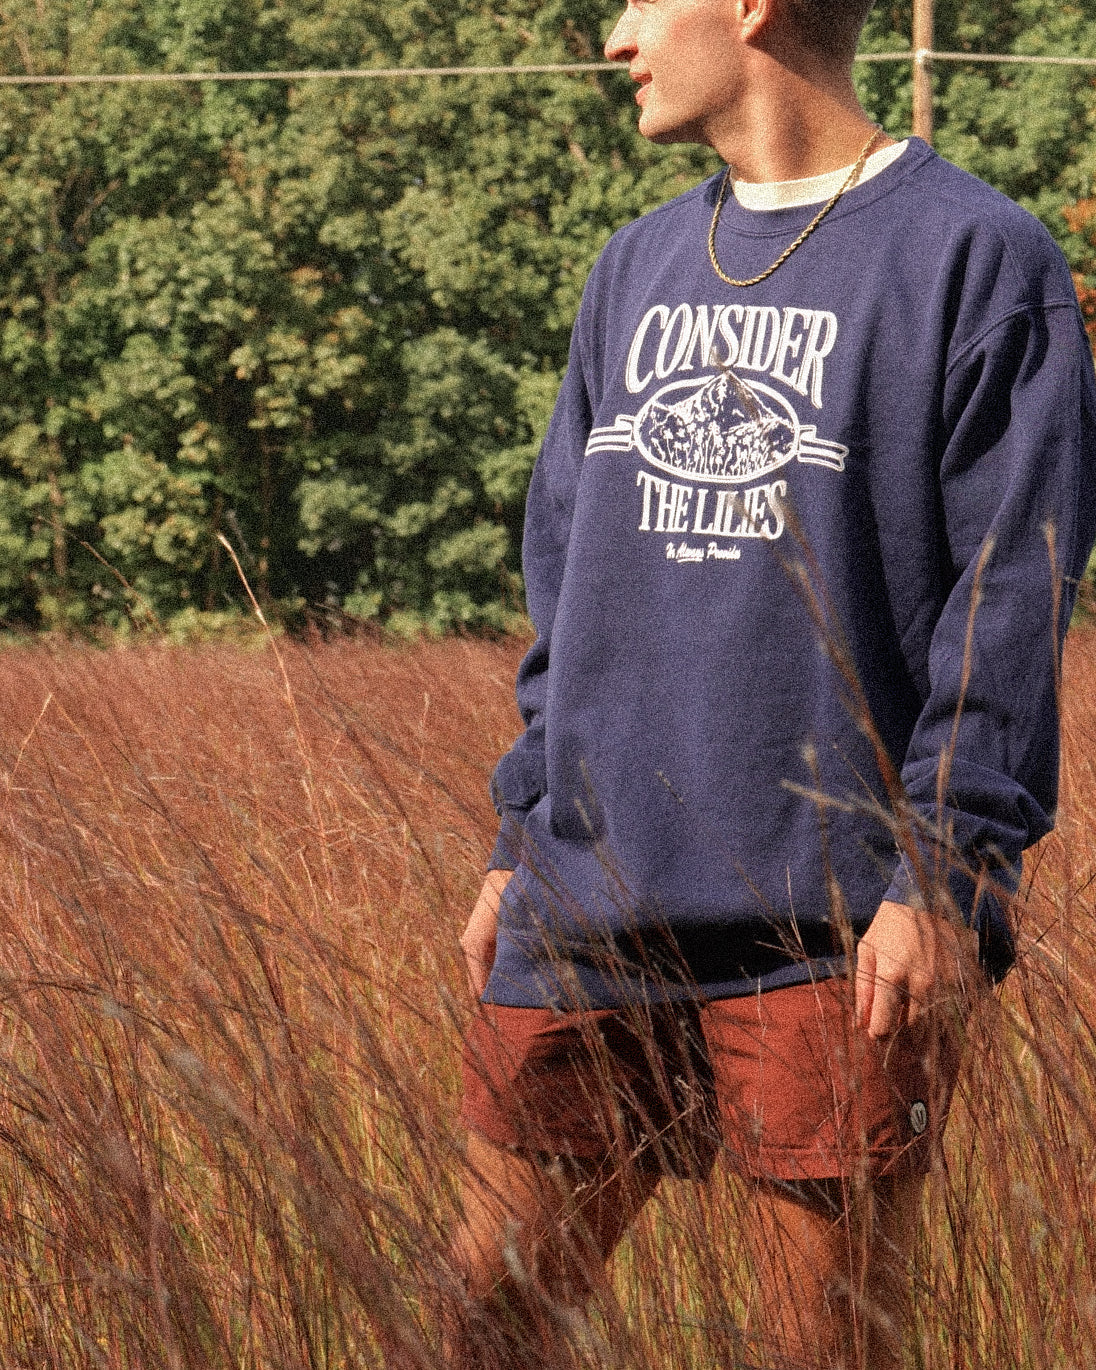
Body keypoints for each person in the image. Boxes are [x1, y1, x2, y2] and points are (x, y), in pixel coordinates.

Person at [450, 0, 1096, 1366]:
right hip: (590, 901)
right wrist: (521, 832)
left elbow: (1011, 596)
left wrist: (944, 873)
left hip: (835, 929)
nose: (615, 36)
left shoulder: (977, 259)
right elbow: (566, 584)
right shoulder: (634, 266)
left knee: (824, 1350)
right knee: (478, 1327)